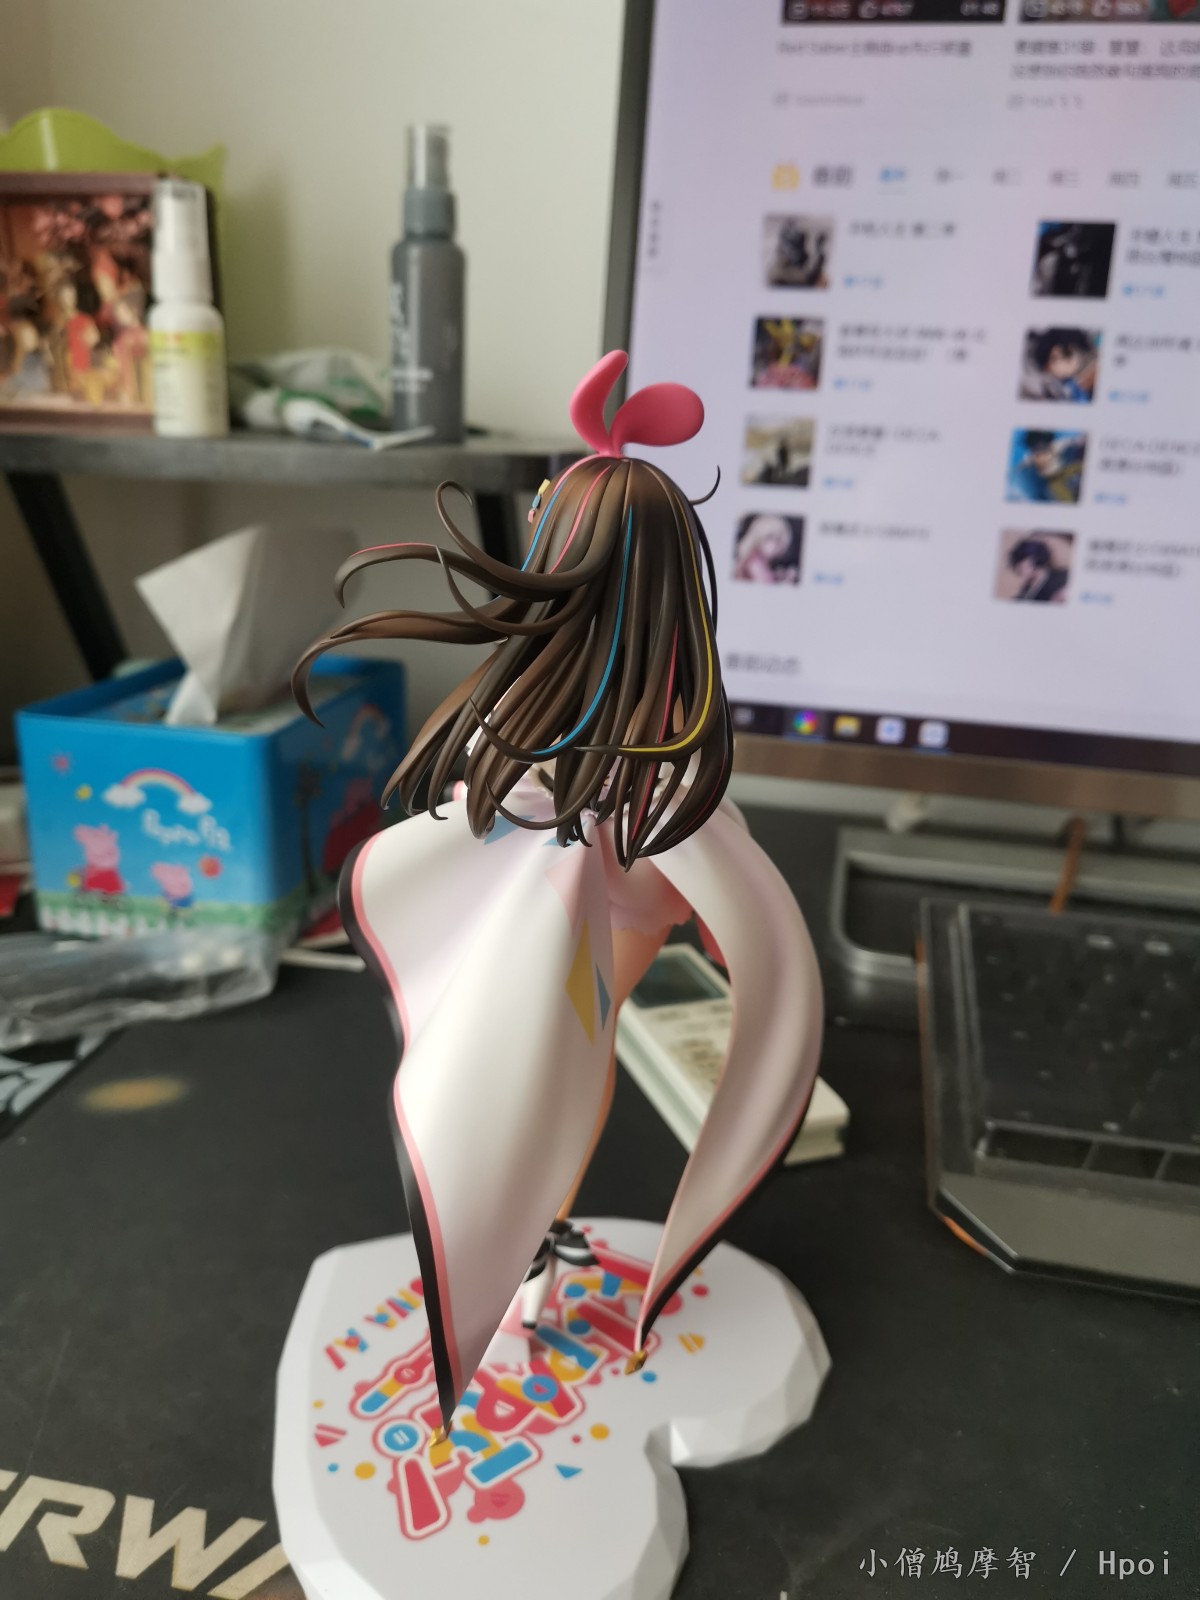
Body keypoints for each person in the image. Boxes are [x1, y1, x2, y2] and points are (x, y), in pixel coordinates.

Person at [294, 351, 824, 1433]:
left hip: (597, 906)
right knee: (554, 1078)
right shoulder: (629, 732)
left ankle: (525, 1247)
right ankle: (521, 1252)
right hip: (577, 913)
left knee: (558, 1078)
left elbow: (659, 840)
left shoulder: (593, 729)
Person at [1021, 328, 1097, 403]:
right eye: (1054, 359)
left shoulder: (1086, 374)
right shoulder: (1050, 388)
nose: (1063, 364)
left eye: (1067, 354)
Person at [1009, 429, 1085, 503]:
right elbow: (1024, 463)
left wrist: (1078, 441)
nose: (1040, 449)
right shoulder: (1032, 456)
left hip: (1064, 470)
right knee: (1062, 494)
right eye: (1036, 447)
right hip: (1053, 480)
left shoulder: (1054, 446)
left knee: (1079, 466)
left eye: (1043, 445)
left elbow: (1067, 442)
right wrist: (1019, 468)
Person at [733, 513, 800, 582]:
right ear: (758, 537)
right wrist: (786, 581)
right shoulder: (754, 561)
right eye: (770, 537)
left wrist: (778, 576)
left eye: (779, 540)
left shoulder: (761, 560)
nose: (776, 545)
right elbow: (764, 583)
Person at [1006, 537, 1069, 603]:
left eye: (1019, 561)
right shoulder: (1026, 588)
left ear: (1033, 561)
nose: (1017, 568)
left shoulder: (1063, 577)